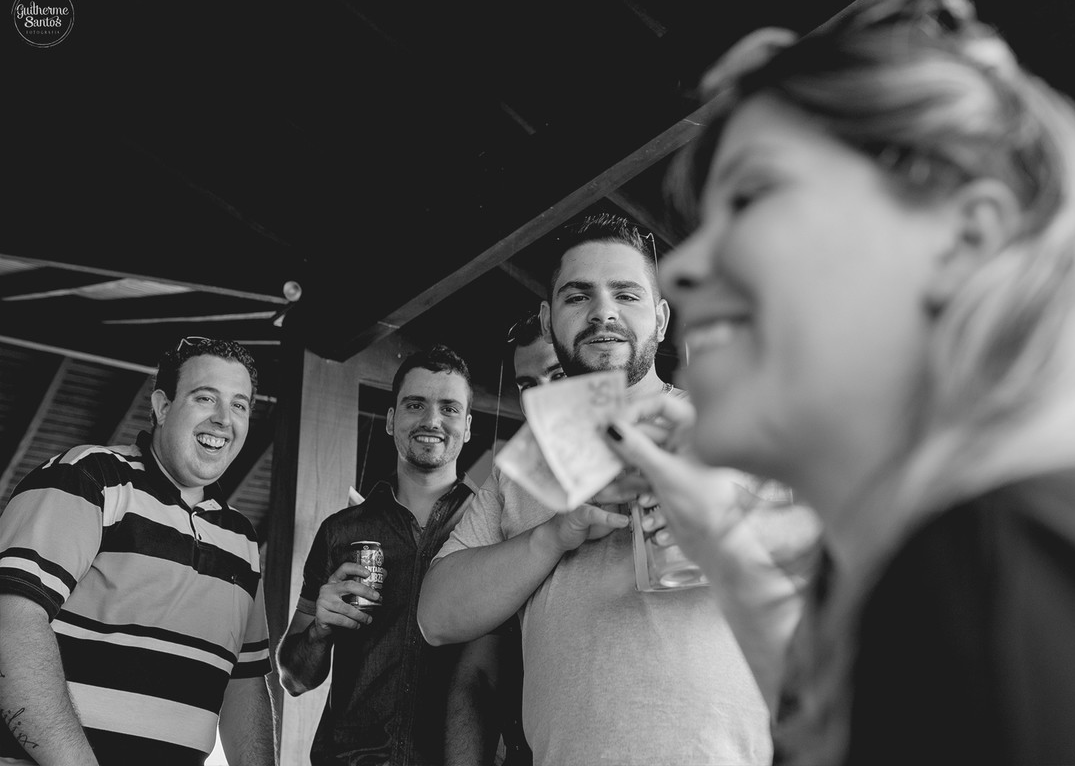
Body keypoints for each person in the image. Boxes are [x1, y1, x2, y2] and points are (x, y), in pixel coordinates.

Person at [599, 0, 1075, 766]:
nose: (682, 270)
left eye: (750, 197)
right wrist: (714, 532)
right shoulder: (1009, 558)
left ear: (962, 238)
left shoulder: (1007, 563)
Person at [419, 212, 793, 766]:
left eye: (626, 294)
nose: (603, 313)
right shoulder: (530, 460)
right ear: (549, 321)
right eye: (578, 297)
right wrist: (554, 536)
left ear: (662, 319)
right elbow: (436, 617)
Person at [0, 335, 276, 766]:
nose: (224, 419)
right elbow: (11, 621)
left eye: (239, 405)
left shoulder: (241, 538)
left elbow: (245, 684)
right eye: (206, 398)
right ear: (163, 406)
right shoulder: (89, 478)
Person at [277, 344, 481, 765]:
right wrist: (319, 629)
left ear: (468, 426)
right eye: (414, 404)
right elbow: (293, 678)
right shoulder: (342, 531)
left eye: (449, 408)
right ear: (391, 420)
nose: (431, 420)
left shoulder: (492, 525)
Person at [444, 312, 557, 766]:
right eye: (528, 384)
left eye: (558, 374)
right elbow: (445, 626)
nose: (543, 397)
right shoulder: (507, 474)